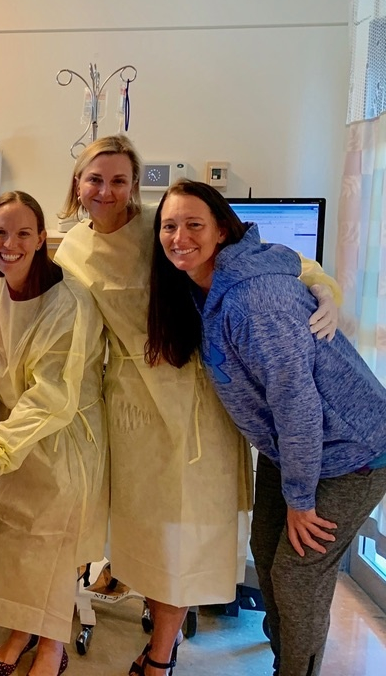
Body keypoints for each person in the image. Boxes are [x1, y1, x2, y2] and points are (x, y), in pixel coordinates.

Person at [53, 135, 341, 676]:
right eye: (95, 179)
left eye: (119, 180)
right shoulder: (70, 250)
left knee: (184, 539)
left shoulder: (164, 228)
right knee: (142, 535)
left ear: (136, 185)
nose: (106, 191)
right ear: (76, 184)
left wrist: (325, 290)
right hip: (130, 410)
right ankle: (153, 628)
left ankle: (161, 655)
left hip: (197, 405)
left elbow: (272, 261)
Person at [146, 179, 386, 676]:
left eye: (194, 224)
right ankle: (289, 661)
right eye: (170, 226)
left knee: (297, 576)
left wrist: (301, 500)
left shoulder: (254, 301)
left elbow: (297, 403)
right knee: (266, 553)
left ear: (220, 232)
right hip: (294, 448)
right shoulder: (204, 287)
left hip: (353, 453)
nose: (179, 236)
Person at [0, 192, 107, 676]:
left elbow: (53, 394)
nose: (10, 244)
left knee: (53, 542)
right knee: (19, 539)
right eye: (0, 232)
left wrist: (0, 446)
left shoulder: (66, 302)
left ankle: (52, 643)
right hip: (14, 429)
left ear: (43, 238)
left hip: (62, 433)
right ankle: (22, 628)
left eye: (24, 233)